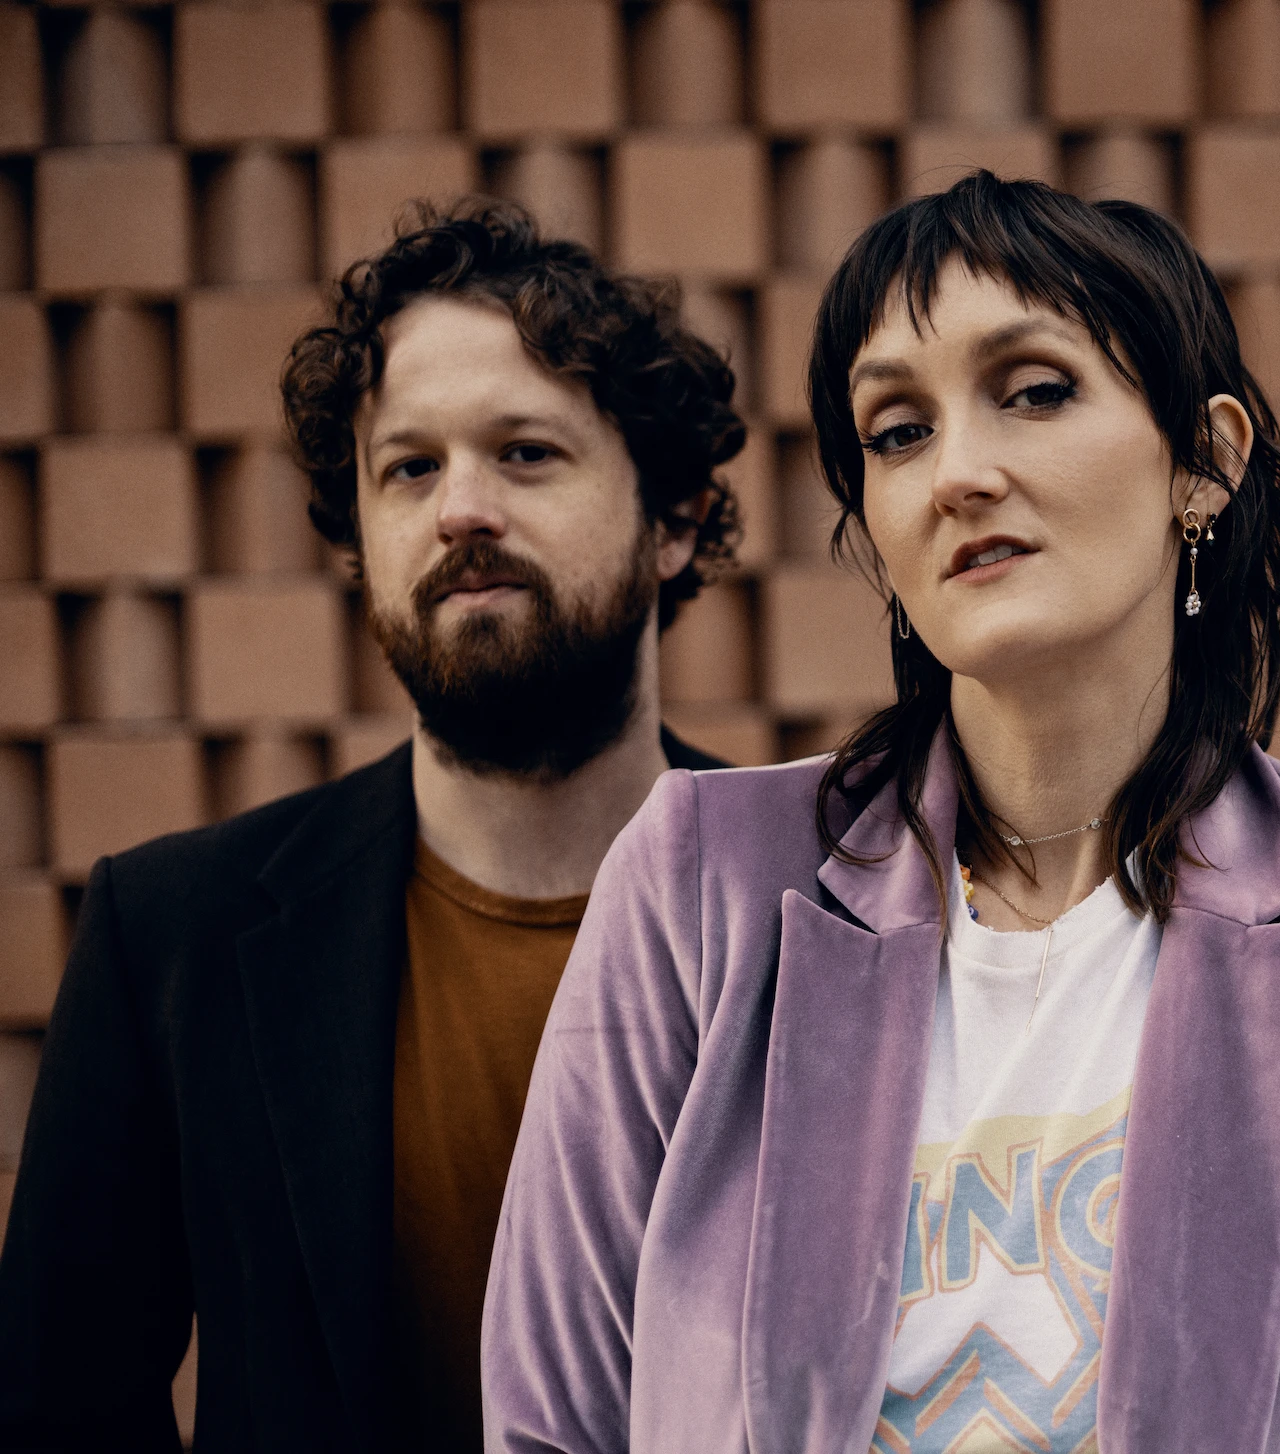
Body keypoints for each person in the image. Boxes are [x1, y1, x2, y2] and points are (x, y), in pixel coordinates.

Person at [483, 171, 1280, 1452]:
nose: (958, 474)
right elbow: (551, 1422)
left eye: (1036, 391)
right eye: (897, 431)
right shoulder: (697, 884)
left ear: (1205, 463)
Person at [0, 199, 747, 1452]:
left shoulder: (833, 907)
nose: (462, 508)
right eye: (410, 467)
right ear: (361, 535)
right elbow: (56, 1411)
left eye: (525, 452)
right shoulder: (170, 936)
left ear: (671, 521)